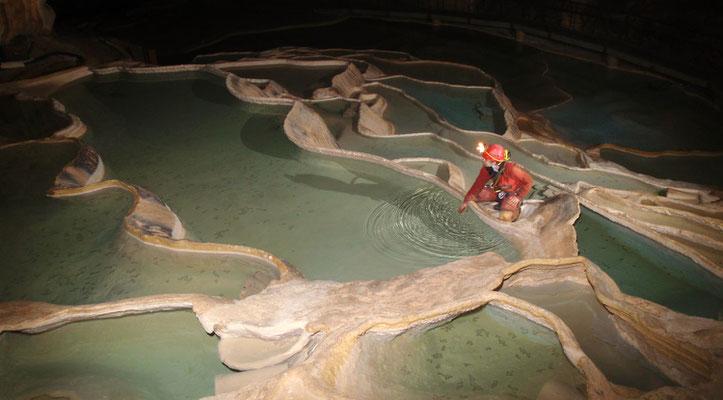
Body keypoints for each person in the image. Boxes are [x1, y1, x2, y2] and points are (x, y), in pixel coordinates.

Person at [457, 143, 533, 222]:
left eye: (486, 159)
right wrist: (466, 201)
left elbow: (529, 181)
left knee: (506, 216)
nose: (483, 160)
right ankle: (497, 200)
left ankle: (512, 207)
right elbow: (478, 184)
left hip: (511, 193)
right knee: (476, 196)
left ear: (495, 162)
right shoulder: (487, 169)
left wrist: (519, 197)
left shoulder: (512, 169)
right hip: (497, 189)